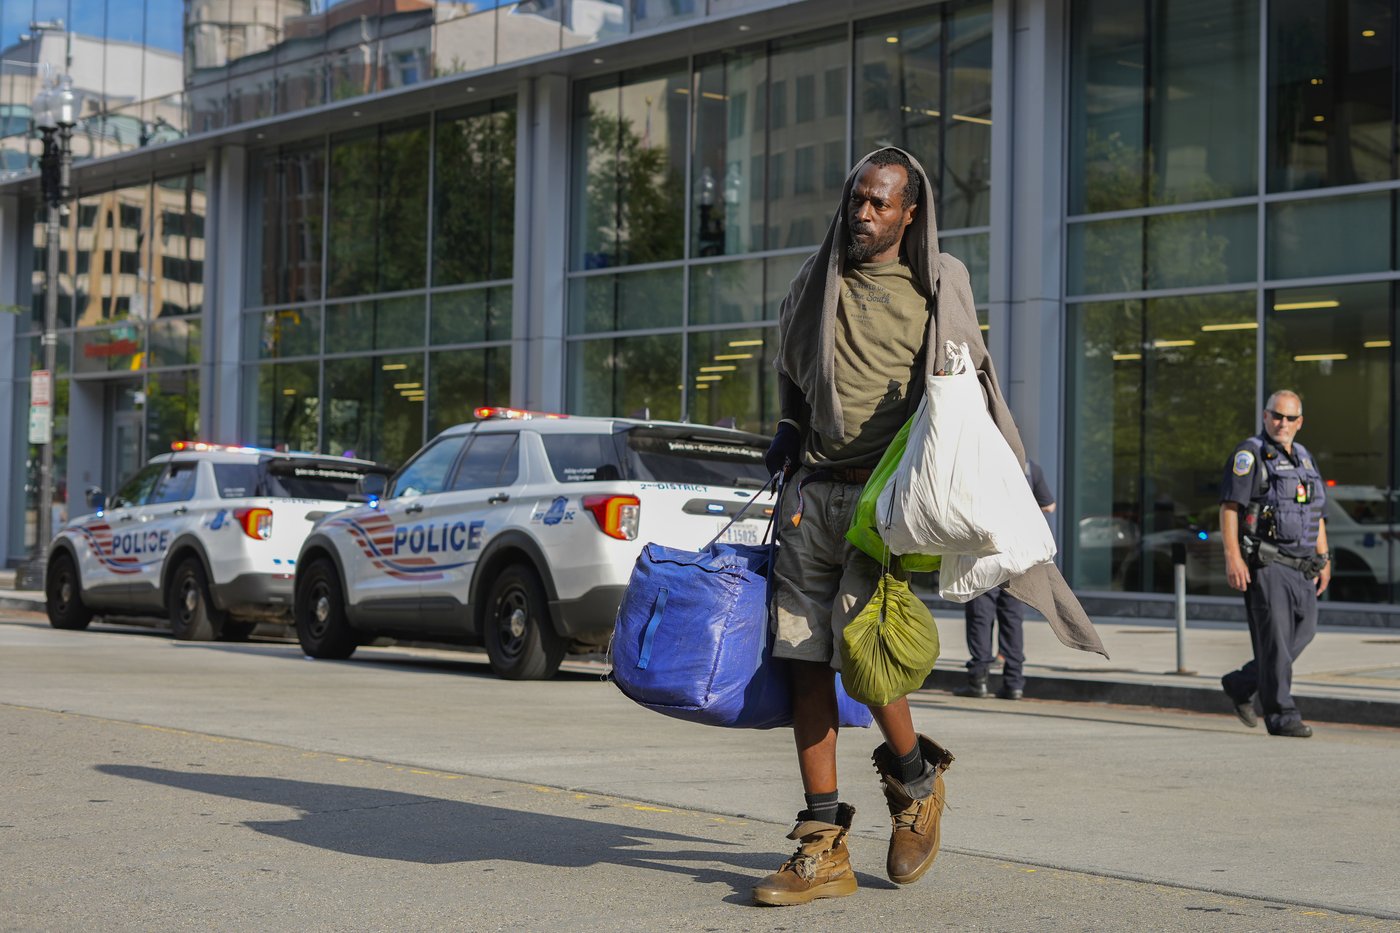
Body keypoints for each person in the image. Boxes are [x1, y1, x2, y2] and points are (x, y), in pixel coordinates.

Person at [755, 146, 1105, 907]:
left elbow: (967, 383)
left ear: (910, 212)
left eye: (880, 203)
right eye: (857, 199)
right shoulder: (819, 276)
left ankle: (915, 780)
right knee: (801, 659)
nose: (864, 213)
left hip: (883, 505)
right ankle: (824, 844)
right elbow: (789, 354)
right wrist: (787, 424)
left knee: (864, 649)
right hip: (814, 493)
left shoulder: (937, 282)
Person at [1219, 390, 1330, 738]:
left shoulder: (1304, 458)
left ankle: (1242, 683)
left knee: (1305, 631)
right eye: (1276, 416)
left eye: (1290, 418)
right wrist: (1233, 557)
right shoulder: (1250, 454)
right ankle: (1282, 715)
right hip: (1267, 565)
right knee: (1277, 643)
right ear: (1266, 416)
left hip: (1302, 565)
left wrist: (1324, 557)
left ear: (1300, 422)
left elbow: (1317, 512)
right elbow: (1230, 508)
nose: (1282, 423)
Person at [954, 459, 1056, 701]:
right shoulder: (1030, 467)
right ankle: (1014, 683)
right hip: (1018, 555)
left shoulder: (981, 462)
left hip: (985, 553)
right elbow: (1049, 506)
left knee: (980, 616)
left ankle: (978, 680)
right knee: (1012, 618)